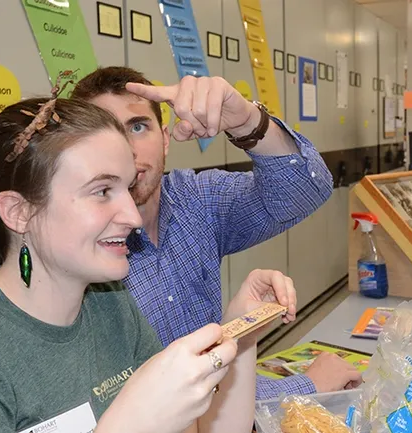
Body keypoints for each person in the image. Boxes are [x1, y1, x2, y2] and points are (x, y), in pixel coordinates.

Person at [0, 87, 298, 432]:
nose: (131, 215)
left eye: (127, 187)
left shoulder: (111, 303)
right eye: (101, 191)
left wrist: (240, 333)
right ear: (19, 212)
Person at [72, 67, 364, 400]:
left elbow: (305, 190)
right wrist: (305, 386)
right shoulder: (77, 248)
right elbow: (151, 402)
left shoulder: (194, 199)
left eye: (138, 127)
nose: (127, 150)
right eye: (105, 131)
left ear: (165, 138)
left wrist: (247, 122)